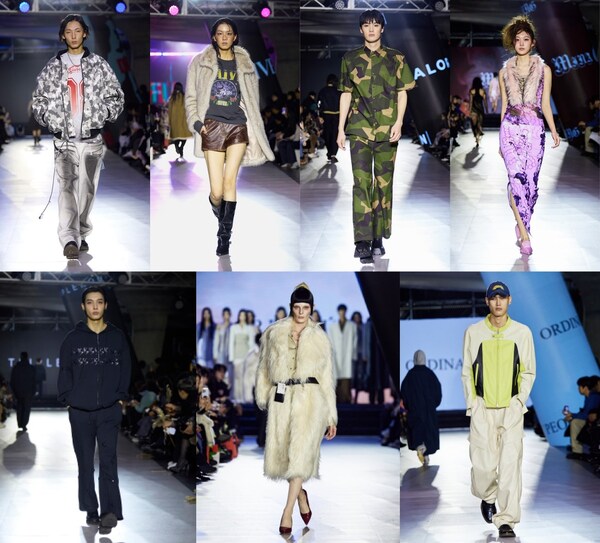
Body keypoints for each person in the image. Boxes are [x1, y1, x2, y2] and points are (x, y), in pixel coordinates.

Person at [32, 14, 124, 260]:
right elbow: (39, 98)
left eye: (77, 30)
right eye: (68, 31)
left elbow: (116, 95)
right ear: (63, 36)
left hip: (92, 140)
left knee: (87, 189)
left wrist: (104, 115)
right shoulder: (53, 66)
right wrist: (49, 120)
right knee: (66, 188)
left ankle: (81, 231)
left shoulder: (99, 65)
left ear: (85, 33)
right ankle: (69, 239)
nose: (73, 35)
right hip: (64, 140)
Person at [185, 18, 275, 257]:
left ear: (235, 37)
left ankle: (224, 237)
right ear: (214, 36)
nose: (224, 37)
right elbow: (191, 97)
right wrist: (197, 123)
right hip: (211, 126)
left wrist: (254, 124)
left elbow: (252, 100)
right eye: (220, 33)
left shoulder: (245, 63)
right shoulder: (199, 62)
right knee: (216, 192)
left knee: (229, 183)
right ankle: (221, 212)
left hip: (237, 125)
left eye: (228, 33)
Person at [255, 283, 337, 534]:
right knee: (285, 458)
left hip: (310, 401)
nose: (301, 312)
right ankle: (300, 494)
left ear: (312, 308)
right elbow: (264, 367)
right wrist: (264, 395)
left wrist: (331, 416)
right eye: (297, 307)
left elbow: (326, 379)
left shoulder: (320, 338)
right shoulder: (274, 333)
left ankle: (287, 511)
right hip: (282, 398)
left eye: (306, 308)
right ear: (291, 307)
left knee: (299, 458)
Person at [337, 9, 415, 263]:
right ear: (360, 29)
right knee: (361, 183)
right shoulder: (350, 59)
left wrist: (399, 122)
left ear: (382, 28)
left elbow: (402, 92)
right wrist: (340, 128)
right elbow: (346, 93)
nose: (371, 29)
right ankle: (362, 241)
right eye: (366, 25)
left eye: (375, 24)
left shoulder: (396, 58)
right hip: (359, 128)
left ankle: (378, 236)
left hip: (387, 129)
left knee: (383, 185)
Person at [462, 281, 536, 539]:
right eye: (493, 298)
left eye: (502, 297)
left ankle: (506, 520)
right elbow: (467, 371)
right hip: (483, 408)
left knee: (510, 467)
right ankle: (488, 495)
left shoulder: (522, 333)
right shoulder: (474, 332)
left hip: (511, 410)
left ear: (509, 300)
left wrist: (518, 402)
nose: (497, 302)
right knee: (482, 467)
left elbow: (528, 371)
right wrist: (473, 404)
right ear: (487, 301)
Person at [58, 286, 131, 535]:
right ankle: (91, 508)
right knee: (85, 464)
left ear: (106, 305)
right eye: (90, 302)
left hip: (109, 410)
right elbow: (65, 370)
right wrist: (68, 400)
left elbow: (126, 368)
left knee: (108, 461)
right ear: (83, 307)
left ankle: (109, 512)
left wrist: (120, 398)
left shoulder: (117, 337)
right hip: (80, 411)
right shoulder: (72, 339)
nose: (95, 306)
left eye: (99, 301)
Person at [498, 15, 560, 256]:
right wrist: (500, 139)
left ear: (533, 42)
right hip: (510, 128)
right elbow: (504, 105)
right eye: (517, 39)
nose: (521, 43)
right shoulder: (504, 71)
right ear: (512, 42)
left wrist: (554, 130)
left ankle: (520, 221)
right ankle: (525, 235)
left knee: (531, 186)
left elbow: (545, 104)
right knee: (516, 179)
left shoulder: (544, 70)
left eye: (526, 39)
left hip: (535, 129)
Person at [400, 350, 442, 465]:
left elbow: (404, 392)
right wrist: (433, 405)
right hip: (429, 411)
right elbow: (438, 392)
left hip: (415, 411)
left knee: (417, 432)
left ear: (414, 359)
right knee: (428, 433)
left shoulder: (410, 375)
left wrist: (409, 406)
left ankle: (420, 448)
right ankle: (425, 453)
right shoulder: (430, 374)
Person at [563, 376, 600, 460]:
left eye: (579, 387)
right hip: (590, 420)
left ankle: (577, 451)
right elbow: (586, 413)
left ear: (585, 387)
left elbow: (587, 415)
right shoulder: (589, 397)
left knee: (575, 422)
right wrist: (572, 415)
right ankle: (576, 447)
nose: (578, 389)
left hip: (593, 421)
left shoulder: (593, 397)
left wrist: (572, 415)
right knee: (574, 420)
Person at [328, 304, 357, 403]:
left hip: (347, 355)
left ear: (345, 312)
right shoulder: (332, 326)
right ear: (338, 312)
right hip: (335, 355)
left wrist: (354, 355)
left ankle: (347, 400)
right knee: (336, 378)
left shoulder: (352, 325)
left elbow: (355, 341)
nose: (342, 313)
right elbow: (330, 341)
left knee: (346, 378)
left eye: (343, 311)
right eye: (340, 311)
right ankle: (338, 400)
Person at [10, 352, 36, 431]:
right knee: (26, 408)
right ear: (27, 357)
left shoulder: (16, 368)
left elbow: (12, 380)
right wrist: (33, 391)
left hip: (18, 391)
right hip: (28, 391)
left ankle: (20, 423)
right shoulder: (31, 368)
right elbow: (34, 381)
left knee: (19, 407)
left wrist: (13, 391)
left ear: (20, 357)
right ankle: (24, 424)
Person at [317, 74, 341, 163]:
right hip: (336, 116)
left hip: (326, 116)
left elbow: (319, 104)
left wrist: (319, 115)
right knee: (335, 135)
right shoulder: (338, 91)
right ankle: (333, 154)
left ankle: (330, 153)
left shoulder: (322, 91)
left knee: (327, 135)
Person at [167, 81, 192, 160]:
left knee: (176, 136)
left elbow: (169, 110)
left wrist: (169, 121)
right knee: (184, 136)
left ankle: (177, 147)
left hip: (174, 121)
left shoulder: (172, 98)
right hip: (183, 120)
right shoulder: (184, 97)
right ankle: (181, 147)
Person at [469, 77, 486, 146]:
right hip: (480, 109)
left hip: (473, 109)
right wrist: (487, 109)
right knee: (479, 124)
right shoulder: (482, 91)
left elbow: (471, 102)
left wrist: (469, 110)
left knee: (474, 125)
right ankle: (478, 138)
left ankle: (476, 137)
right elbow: (485, 101)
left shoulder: (472, 91)